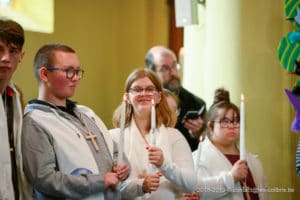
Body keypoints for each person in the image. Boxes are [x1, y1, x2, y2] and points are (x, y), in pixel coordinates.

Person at [21, 43, 130, 200]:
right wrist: (101, 180)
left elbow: (114, 151)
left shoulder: (86, 114)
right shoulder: (35, 122)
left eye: (78, 72)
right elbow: (45, 179)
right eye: (68, 71)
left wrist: (122, 166)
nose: (76, 78)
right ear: (44, 74)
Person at [110, 68, 197, 199]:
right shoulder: (113, 137)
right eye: (138, 89)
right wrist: (141, 185)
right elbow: (109, 188)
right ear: (127, 97)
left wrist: (164, 164)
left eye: (150, 89)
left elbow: (191, 184)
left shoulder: (174, 136)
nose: (144, 93)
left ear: (158, 97)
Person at [186, 88, 269, 200]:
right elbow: (197, 192)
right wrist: (231, 177)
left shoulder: (253, 160)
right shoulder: (198, 159)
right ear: (210, 126)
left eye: (236, 121)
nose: (232, 126)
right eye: (225, 121)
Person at [145, 45, 206, 151]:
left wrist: (197, 133)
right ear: (152, 73)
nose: (173, 73)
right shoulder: (143, 102)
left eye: (174, 66)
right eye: (164, 68)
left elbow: (204, 148)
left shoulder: (197, 105)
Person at [0, 18, 31, 200]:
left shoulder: (16, 95)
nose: (5, 58)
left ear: (21, 56)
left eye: (13, 51)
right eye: (0, 50)